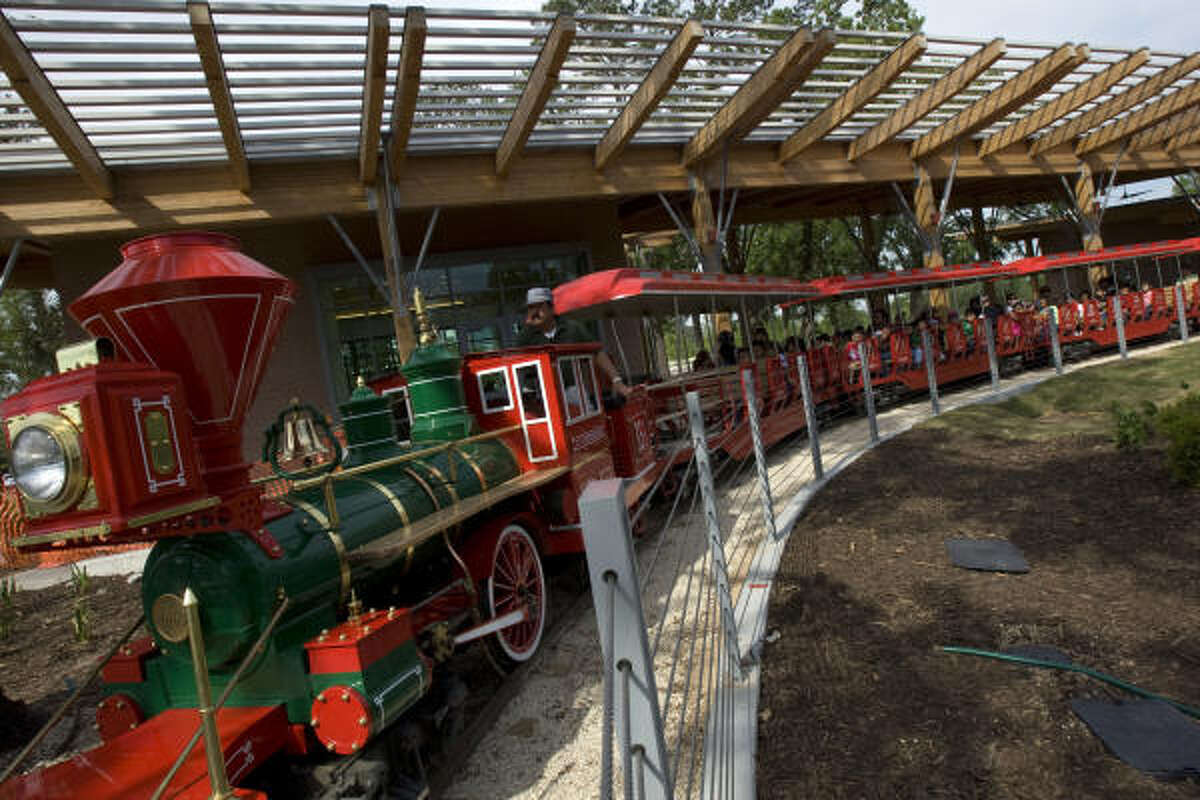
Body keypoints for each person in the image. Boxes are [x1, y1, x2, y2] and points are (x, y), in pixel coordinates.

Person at [518, 287, 632, 397]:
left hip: (569, 389)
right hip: (540, 393)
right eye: (531, 308)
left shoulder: (572, 328)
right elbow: (516, 360)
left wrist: (617, 380)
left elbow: (597, 352)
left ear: (551, 308)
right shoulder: (526, 334)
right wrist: (528, 328)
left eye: (539, 306)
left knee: (583, 405)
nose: (535, 312)